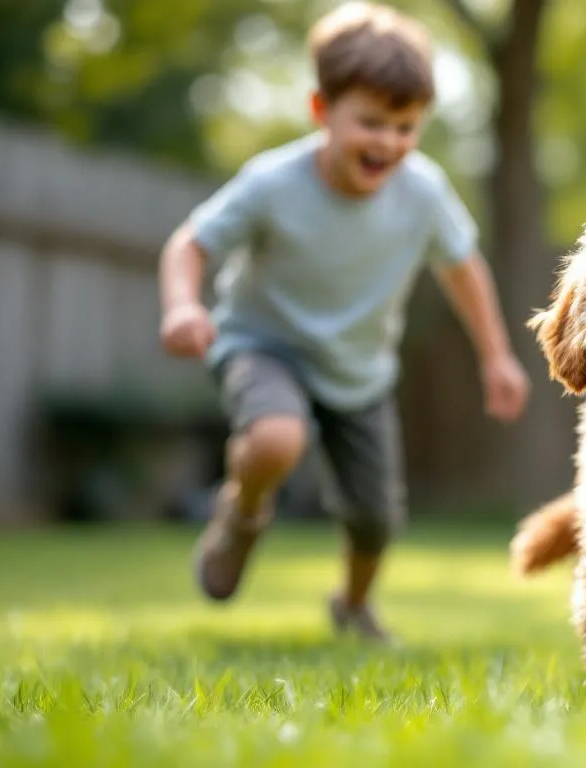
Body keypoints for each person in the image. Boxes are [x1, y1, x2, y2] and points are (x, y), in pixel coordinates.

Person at [157, 1, 531, 644]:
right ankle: (242, 513)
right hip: (264, 345)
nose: (389, 142)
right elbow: (189, 243)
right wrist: (183, 306)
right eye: (372, 123)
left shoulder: (424, 191)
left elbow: (464, 268)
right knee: (276, 439)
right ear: (322, 112)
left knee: (375, 518)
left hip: (359, 370)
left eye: (406, 126)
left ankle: (353, 606)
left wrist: (495, 355)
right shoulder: (273, 182)